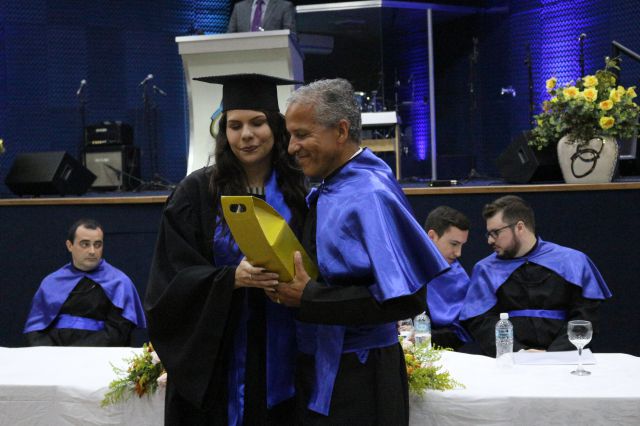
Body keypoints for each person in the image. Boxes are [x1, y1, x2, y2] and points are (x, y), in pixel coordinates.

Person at [276, 78, 449, 424]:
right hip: (326, 366)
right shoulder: (334, 186)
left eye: (302, 134)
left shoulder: (370, 193)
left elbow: (408, 299)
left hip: (361, 377)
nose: (292, 147)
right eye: (290, 136)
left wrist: (309, 297)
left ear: (341, 131)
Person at [144, 74, 307, 425]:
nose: (246, 135)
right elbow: (171, 280)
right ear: (224, 132)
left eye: (257, 123)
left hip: (289, 351)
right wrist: (231, 278)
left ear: (276, 127)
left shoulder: (301, 191)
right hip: (218, 355)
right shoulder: (196, 193)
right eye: (235, 126)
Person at [460, 195, 612, 357]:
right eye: (488, 234)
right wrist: (519, 352)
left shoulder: (572, 261)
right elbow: (482, 323)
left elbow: (585, 316)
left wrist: (553, 355)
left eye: (495, 233)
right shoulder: (486, 269)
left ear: (519, 227)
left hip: (566, 358)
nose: (490, 240)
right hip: (511, 359)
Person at [23, 218, 146, 346]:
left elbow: (118, 332)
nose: (92, 251)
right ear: (70, 246)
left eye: (97, 245)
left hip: (98, 353)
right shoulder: (51, 282)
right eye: (85, 244)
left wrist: (77, 352)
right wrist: (51, 352)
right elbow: (36, 330)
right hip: (53, 354)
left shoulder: (119, 283)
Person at [423, 206, 473, 349]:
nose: (458, 253)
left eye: (461, 245)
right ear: (431, 236)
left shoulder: (458, 277)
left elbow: (460, 333)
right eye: (454, 244)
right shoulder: (402, 269)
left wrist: (425, 338)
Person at [227, 0, 296, 35]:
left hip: (272, 54)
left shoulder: (284, 6)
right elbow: (229, 36)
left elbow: (291, 37)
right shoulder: (239, 7)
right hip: (243, 54)